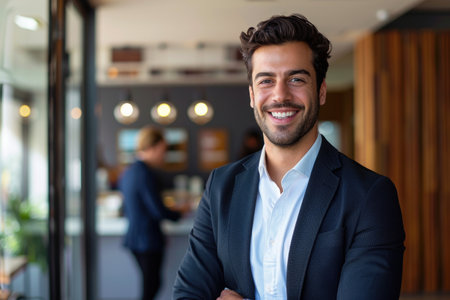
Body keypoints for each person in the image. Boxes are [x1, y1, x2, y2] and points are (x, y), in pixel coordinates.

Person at [173, 14, 405, 300]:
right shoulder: (222, 186)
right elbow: (188, 294)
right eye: (266, 81)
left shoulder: (369, 195)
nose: (280, 95)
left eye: (296, 79)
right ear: (251, 95)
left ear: (320, 91)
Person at [118, 126, 185, 300]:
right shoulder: (145, 174)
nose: (163, 156)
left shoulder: (129, 171)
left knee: (150, 286)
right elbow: (158, 210)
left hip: (136, 238)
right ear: (152, 148)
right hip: (147, 240)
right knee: (151, 287)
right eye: (162, 151)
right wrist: (180, 213)